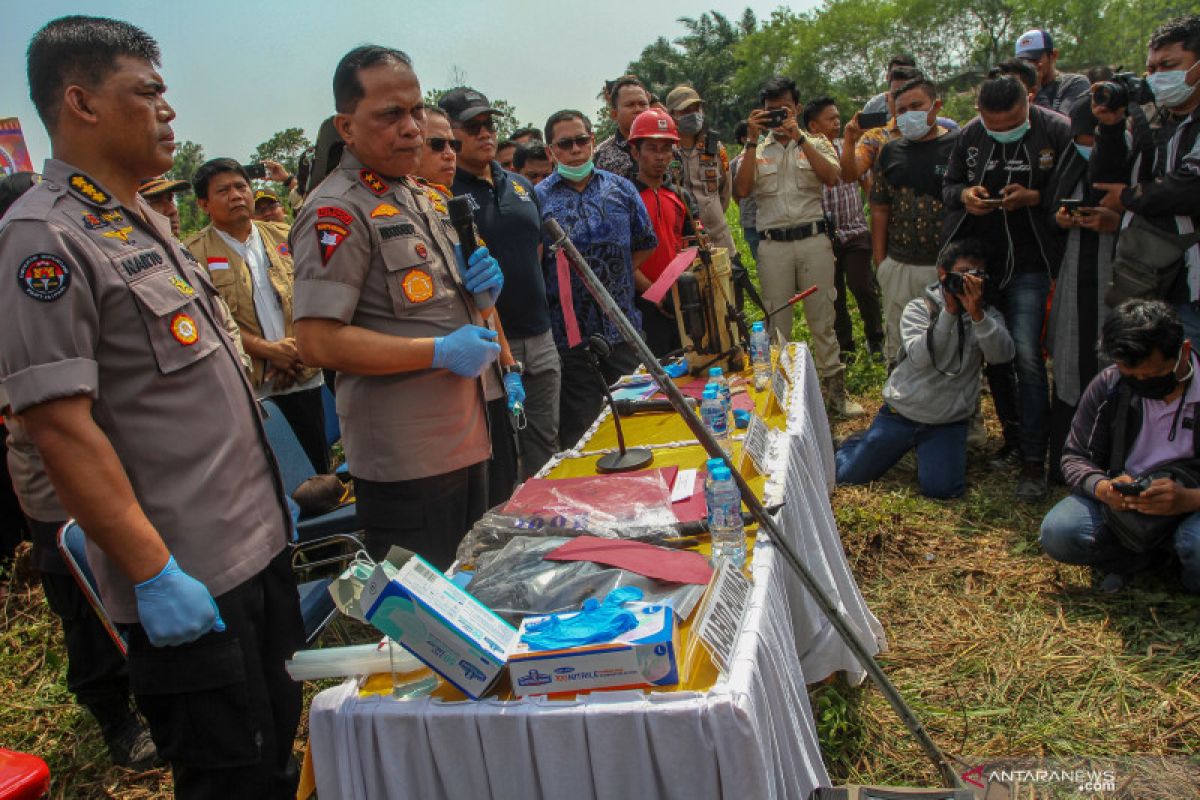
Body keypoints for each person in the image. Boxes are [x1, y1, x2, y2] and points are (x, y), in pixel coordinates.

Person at [2, 16, 304, 797]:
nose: (169, 111)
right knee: (232, 776)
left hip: (256, 546)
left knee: (277, 751)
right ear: (82, 102)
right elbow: (59, 425)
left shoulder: (139, 218)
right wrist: (153, 571)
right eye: (149, 93)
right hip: (189, 576)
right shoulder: (45, 237)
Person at [292, 46, 504, 567]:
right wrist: (437, 351)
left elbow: (444, 301)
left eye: (415, 110)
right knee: (427, 622)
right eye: (391, 115)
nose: (411, 128)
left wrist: (484, 295)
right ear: (346, 126)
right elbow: (317, 341)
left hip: (467, 433)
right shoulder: (336, 209)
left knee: (473, 588)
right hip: (407, 460)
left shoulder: (423, 196)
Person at [0, 170, 157, 770]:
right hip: (54, 484)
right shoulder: (24, 275)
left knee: (130, 585)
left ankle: (145, 688)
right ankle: (114, 717)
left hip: (113, 464)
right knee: (84, 607)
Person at [942, 73, 1071, 500]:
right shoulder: (969, 136)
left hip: (1032, 264)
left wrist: (1034, 197)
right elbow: (949, 185)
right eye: (991, 124)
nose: (999, 132)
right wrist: (967, 196)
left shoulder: (1057, 129)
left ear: (1029, 102)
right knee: (995, 356)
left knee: (1028, 355)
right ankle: (1013, 439)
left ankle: (1036, 460)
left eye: (1010, 124)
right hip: (984, 261)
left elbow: (1072, 190)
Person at [441, 89, 561, 480]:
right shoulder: (444, 193)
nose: (485, 134)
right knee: (504, 457)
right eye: (472, 127)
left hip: (541, 335)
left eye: (489, 125)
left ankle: (551, 528)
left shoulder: (521, 186)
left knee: (546, 445)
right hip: (487, 345)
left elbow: (539, 253)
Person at [1041, 299, 1200, 593]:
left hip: (1192, 503)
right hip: (1128, 506)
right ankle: (1150, 558)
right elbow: (1075, 457)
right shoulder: (1110, 384)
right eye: (1133, 377)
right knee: (1059, 532)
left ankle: (1179, 567)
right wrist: (1104, 488)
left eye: (1153, 376)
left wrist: (1188, 499)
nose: (1142, 383)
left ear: (1184, 352)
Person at [836, 240, 1014, 497]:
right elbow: (920, 358)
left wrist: (977, 317)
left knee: (942, 491)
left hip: (946, 421)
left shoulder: (988, 316)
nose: (967, 282)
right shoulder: (920, 308)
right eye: (960, 274)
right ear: (943, 275)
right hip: (903, 412)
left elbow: (1002, 356)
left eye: (975, 275)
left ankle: (919, 450)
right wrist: (949, 314)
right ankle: (855, 444)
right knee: (847, 477)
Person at [185, 159, 329, 473]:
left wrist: (293, 350)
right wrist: (268, 351)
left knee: (321, 471)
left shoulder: (284, 235)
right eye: (223, 191)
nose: (236, 195)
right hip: (254, 385)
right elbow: (207, 321)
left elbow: (316, 290)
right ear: (203, 204)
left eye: (241, 187)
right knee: (277, 476)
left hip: (303, 374)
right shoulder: (191, 255)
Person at [735, 76, 862, 417]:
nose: (778, 117)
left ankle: (836, 396)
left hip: (813, 241)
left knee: (823, 319)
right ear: (760, 113)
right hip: (773, 246)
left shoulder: (816, 143)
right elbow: (742, 190)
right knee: (778, 325)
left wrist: (799, 137)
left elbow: (833, 176)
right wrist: (750, 140)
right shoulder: (755, 150)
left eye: (785, 110)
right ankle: (783, 400)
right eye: (770, 111)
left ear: (797, 109)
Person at [535, 109, 657, 447]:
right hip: (570, 338)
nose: (575, 149)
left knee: (637, 422)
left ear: (592, 140)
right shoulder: (538, 199)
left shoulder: (621, 189)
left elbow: (645, 243)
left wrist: (614, 275)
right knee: (583, 432)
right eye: (565, 144)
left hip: (622, 329)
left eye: (581, 140)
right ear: (551, 152)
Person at [1091, 15, 1200, 345]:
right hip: (1142, 279)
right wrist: (1109, 128)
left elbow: (1190, 188)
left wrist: (1127, 198)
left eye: (1169, 65)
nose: (1157, 77)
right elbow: (1104, 181)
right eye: (1151, 69)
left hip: (1192, 288)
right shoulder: (1147, 116)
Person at [1045, 97, 1120, 482]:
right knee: (1071, 363)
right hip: (1075, 273)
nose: (1087, 144)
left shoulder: (1128, 162)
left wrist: (1118, 220)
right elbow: (1051, 206)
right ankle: (1067, 463)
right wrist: (1061, 217)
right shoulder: (1071, 162)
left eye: (1095, 137)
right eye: (1081, 137)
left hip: (1119, 271)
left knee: (1116, 357)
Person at [870, 77, 959, 367]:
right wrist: (881, 261)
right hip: (900, 266)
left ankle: (959, 411)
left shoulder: (958, 147)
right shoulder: (890, 152)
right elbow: (880, 208)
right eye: (902, 110)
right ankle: (898, 404)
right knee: (898, 343)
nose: (909, 114)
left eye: (916, 106)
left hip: (944, 266)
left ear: (936, 106)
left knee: (950, 341)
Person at [805, 95, 884, 362]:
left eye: (838, 117)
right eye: (831, 119)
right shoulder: (805, 154)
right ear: (813, 126)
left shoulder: (849, 147)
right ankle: (846, 346)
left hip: (854, 231)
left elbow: (866, 183)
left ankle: (876, 338)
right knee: (834, 295)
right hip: (823, 238)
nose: (837, 123)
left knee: (863, 285)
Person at [628, 107, 693, 356]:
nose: (660, 157)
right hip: (643, 302)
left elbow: (691, 246)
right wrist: (655, 293)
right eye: (652, 149)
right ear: (636, 151)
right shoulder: (624, 197)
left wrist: (679, 291)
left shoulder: (681, 196)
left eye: (666, 149)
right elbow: (625, 257)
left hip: (682, 299)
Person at [841, 66, 959, 186]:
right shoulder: (875, 138)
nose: (904, 99)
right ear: (887, 98)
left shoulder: (950, 137)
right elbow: (849, 175)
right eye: (896, 94)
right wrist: (849, 141)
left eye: (915, 104)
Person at [665, 85, 739, 270]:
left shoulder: (714, 147)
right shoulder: (665, 150)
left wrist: (710, 212)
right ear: (671, 114)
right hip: (682, 243)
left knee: (727, 292)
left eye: (696, 109)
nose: (692, 114)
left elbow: (725, 192)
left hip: (719, 239)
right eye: (685, 111)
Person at [1015, 28, 1091, 115]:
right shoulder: (1019, 88)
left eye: (1034, 60)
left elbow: (1062, 124)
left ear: (1053, 55)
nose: (1029, 65)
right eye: (1023, 62)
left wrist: (1037, 89)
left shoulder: (1074, 83)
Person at [594, 75, 650, 182]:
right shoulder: (601, 155)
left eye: (642, 104)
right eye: (630, 105)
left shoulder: (668, 149)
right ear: (614, 114)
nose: (638, 109)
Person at [730, 120, 760, 262]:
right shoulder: (735, 163)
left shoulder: (765, 155)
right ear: (743, 139)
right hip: (752, 223)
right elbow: (736, 194)